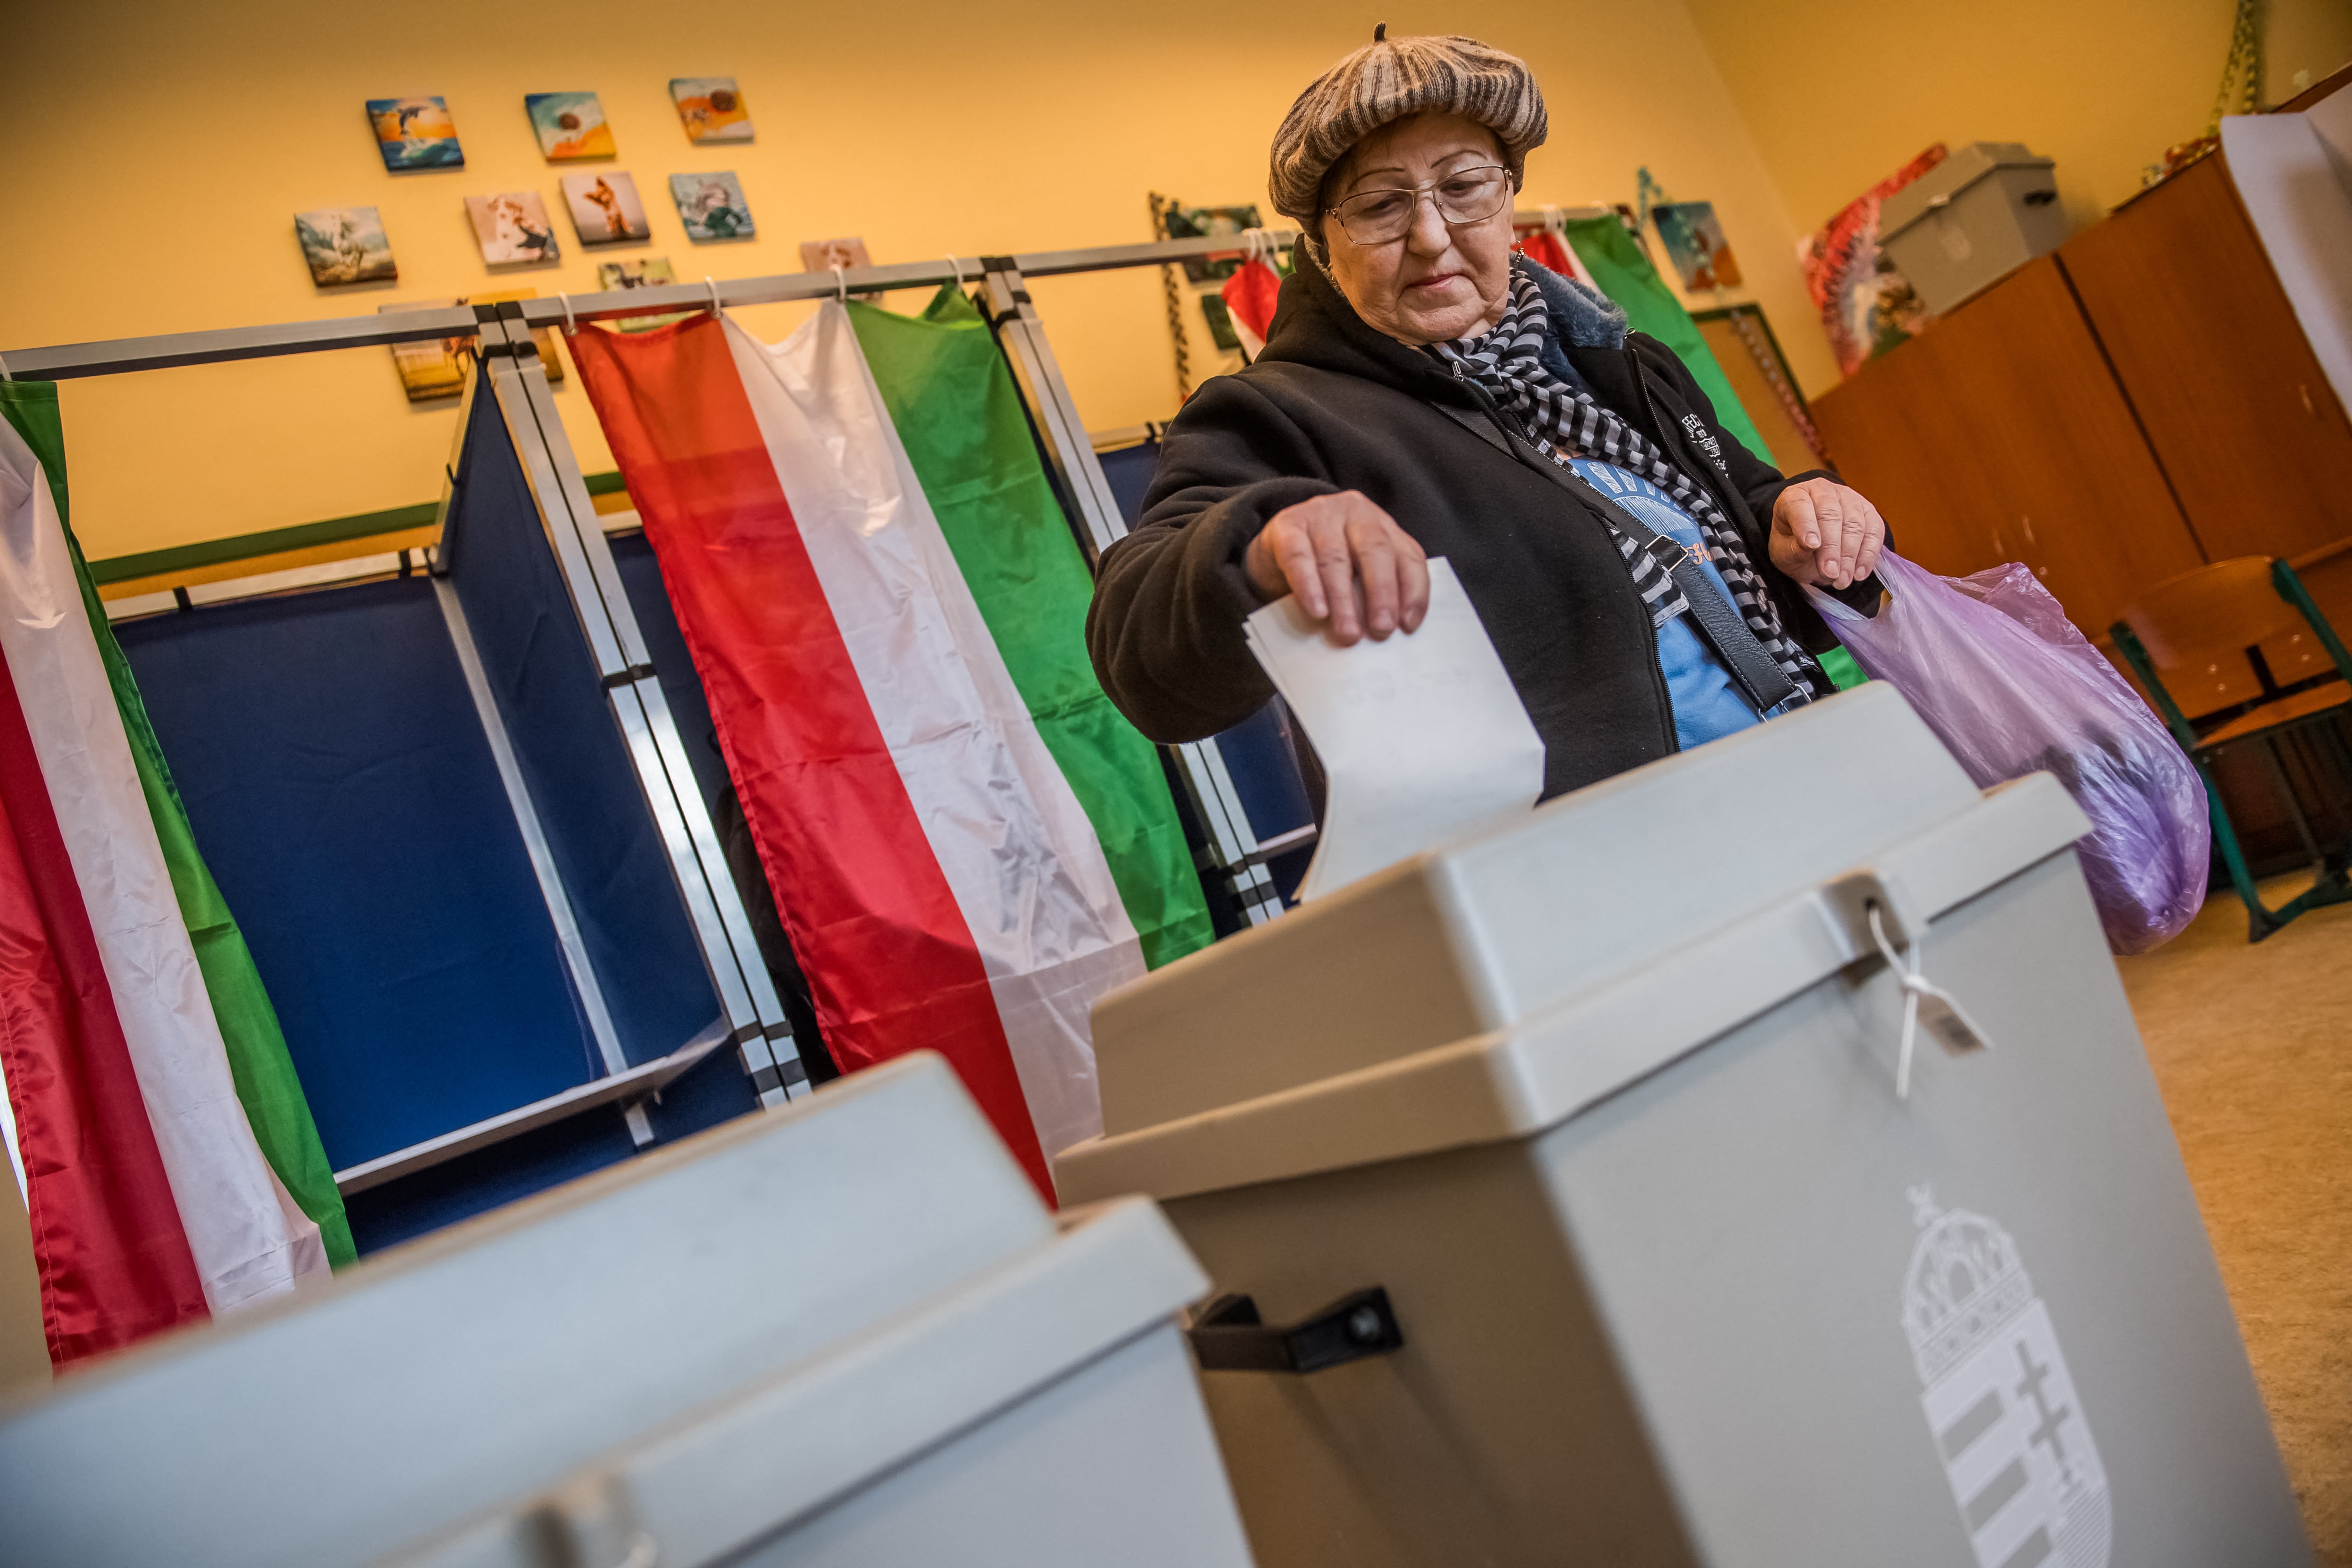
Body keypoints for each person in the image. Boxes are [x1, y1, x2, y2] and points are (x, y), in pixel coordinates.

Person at [1087, 31, 1890, 804]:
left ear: (1510, 199)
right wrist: (1258, 551)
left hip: (1812, 771)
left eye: (1464, 188)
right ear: (1324, 244)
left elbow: (1755, 529)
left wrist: (1811, 519)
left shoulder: (1622, 363)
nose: (1432, 238)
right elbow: (1142, 659)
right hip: (1584, 879)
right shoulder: (1273, 414)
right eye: (1378, 206)